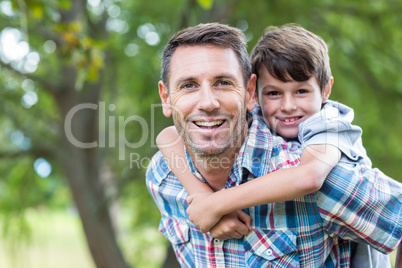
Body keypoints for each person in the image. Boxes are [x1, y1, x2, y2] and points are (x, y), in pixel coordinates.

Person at [146, 22, 402, 267]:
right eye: (188, 85)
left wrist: (215, 204)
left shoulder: (323, 163)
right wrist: (201, 196)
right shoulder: (162, 176)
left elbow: (309, 177)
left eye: (223, 82)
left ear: (248, 92)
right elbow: (167, 137)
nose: (208, 102)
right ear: (166, 98)